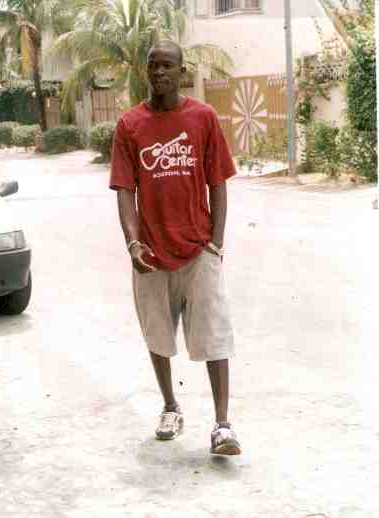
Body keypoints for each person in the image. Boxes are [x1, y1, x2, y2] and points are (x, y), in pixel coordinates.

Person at [110, 40, 241, 456]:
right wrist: (133, 243)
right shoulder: (130, 124)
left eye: (168, 65)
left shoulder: (203, 118)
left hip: (199, 250)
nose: (159, 72)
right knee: (157, 334)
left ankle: (222, 426)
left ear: (182, 71)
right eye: (153, 65)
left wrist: (216, 243)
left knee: (214, 336)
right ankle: (170, 407)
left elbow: (218, 182)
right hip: (151, 254)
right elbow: (124, 190)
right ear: (146, 71)